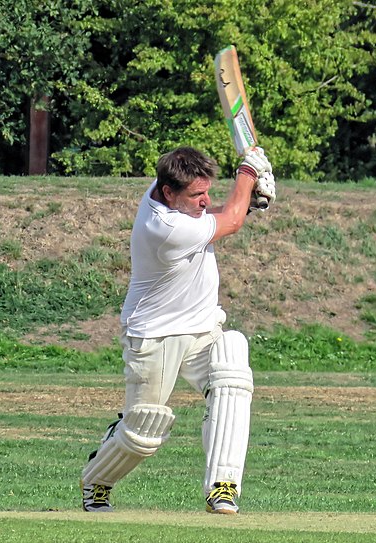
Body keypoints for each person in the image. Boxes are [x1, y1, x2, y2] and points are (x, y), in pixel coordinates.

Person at [80, 145, 275, 514]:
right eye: (197, 195)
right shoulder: (164, 227)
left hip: (202, 327)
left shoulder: (169, 191)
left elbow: (222, 213)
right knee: (144, 430)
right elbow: (230, 221)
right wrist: (248, 176)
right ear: (169, 193)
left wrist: (246, 198)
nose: (205, 201)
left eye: (207, 192)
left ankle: (223, 486)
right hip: (153, 335)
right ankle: (96, 479)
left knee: (232, 365)